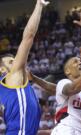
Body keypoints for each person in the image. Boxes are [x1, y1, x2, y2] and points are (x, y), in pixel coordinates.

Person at [0, 0, 49, 134]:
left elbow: (22, 126)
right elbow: (28, 36)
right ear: (2, 70)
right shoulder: (12, 78)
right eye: (11, 62)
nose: (16, 62)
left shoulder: (10, 89)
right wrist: (39, 5)